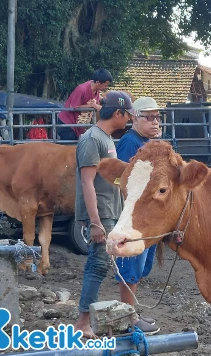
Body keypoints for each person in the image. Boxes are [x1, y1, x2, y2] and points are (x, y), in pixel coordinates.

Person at [73, 90, 137, 339]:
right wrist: (96, 223)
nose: (129, 120)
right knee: (97, 264)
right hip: (102, 213)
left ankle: (86, 319)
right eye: (127, 115)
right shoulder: (91, 140)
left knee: (102, 264)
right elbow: (87, 182)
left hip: (111, 210)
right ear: (118, 113)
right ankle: (82, 321)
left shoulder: (107, 138)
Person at [114, 97, 164, 335]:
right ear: (135, 119)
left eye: (157, 117)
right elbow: (125, 182)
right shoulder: (130, 143)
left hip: (146, 218)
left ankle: (131, 313)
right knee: (131, 267)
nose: (155, 122)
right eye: (149, 117)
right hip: (133, 217)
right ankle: (127, 318)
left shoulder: (147, 142)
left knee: (140, 268)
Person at [57, 69, 113, 141]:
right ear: (98, 82)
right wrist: (92, 106)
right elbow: (73, 107)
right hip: (67, 123)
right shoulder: (82, 89)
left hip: (77, 125)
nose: (106, 87)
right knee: (69, 146)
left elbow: (96, 98)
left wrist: (104, 100)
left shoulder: (96, 89)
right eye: (105, 85)